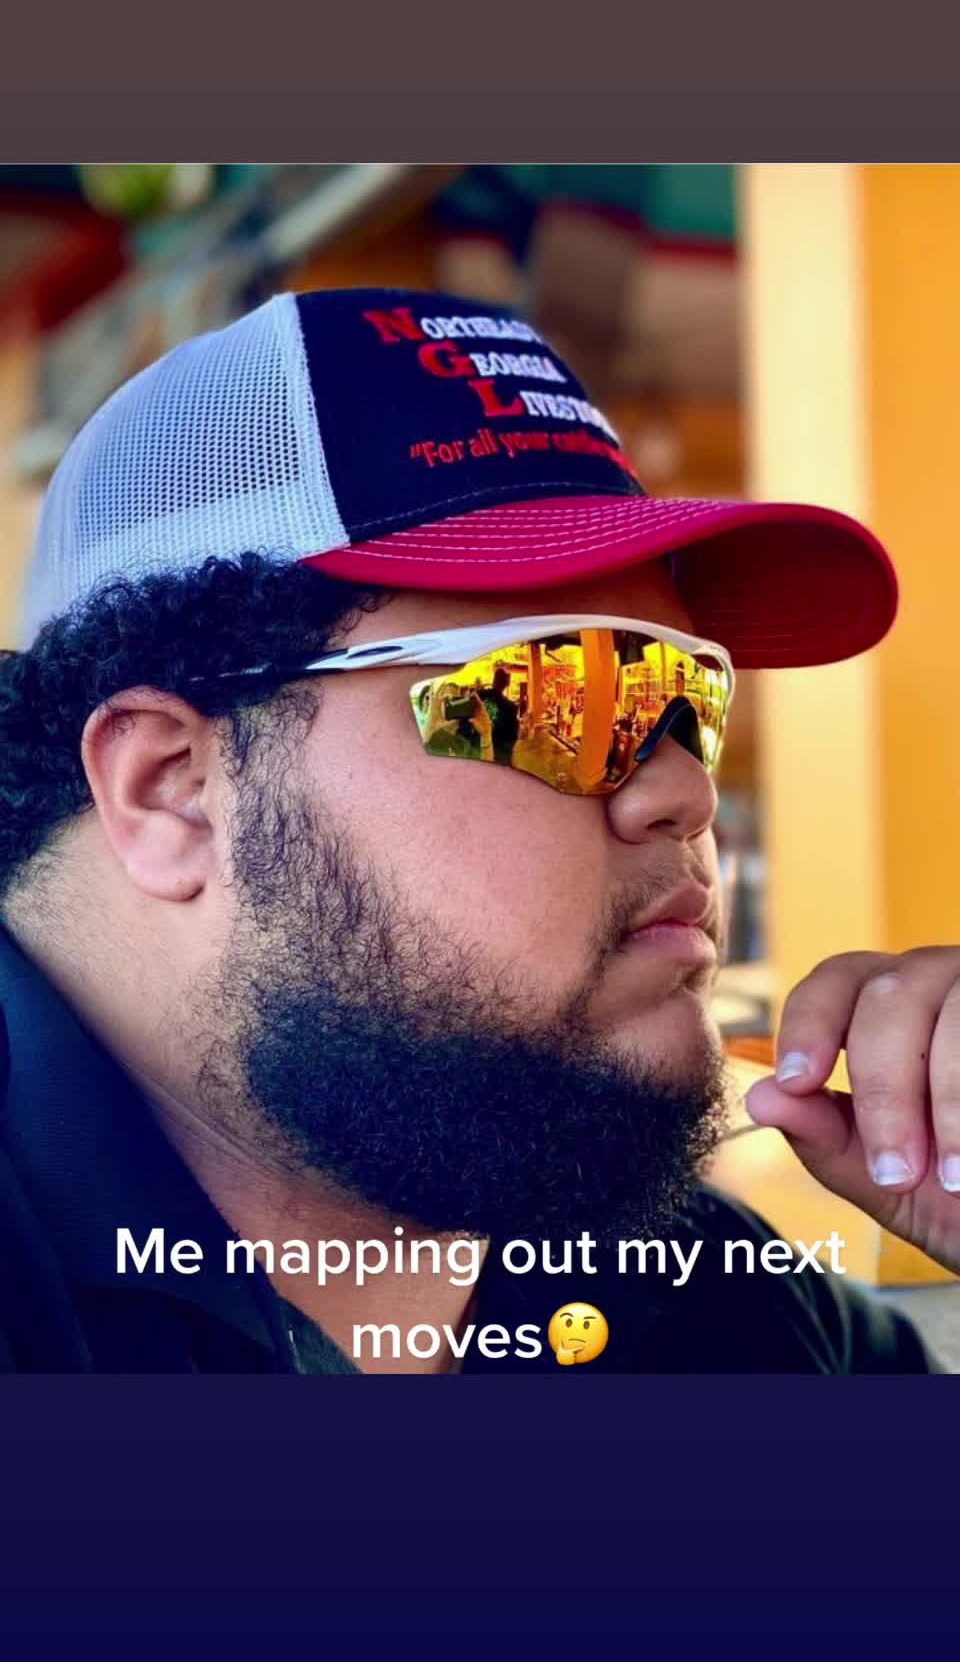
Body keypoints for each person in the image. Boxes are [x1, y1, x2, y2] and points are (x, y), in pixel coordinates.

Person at [0, 286, 951, 1375]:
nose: (686, 791)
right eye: (560, 693)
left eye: (692, 697)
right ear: (169, 787)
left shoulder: (685, 1291)